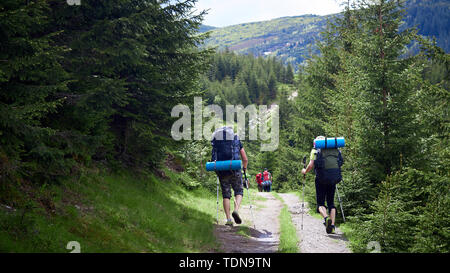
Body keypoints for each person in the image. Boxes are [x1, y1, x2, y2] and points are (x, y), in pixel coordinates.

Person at [301, 136, 343, 234]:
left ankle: (326, 218)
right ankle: (332, 226)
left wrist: (304, 171)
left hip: (321, 179)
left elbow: (311, 165)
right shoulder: (335, 149)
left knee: (320, 203)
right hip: (333, 179)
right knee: (331, 203)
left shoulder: (315, 150)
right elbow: (340, 162)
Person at [211, 126, 248, 227]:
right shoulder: (236, 139)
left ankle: (228, 219)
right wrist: (244, 169)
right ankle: (236, 210)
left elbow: (213, 156)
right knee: (239, 191)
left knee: (226, 195)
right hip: (235, 168)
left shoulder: (216, 141)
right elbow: (245, 159)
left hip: (222, 169)